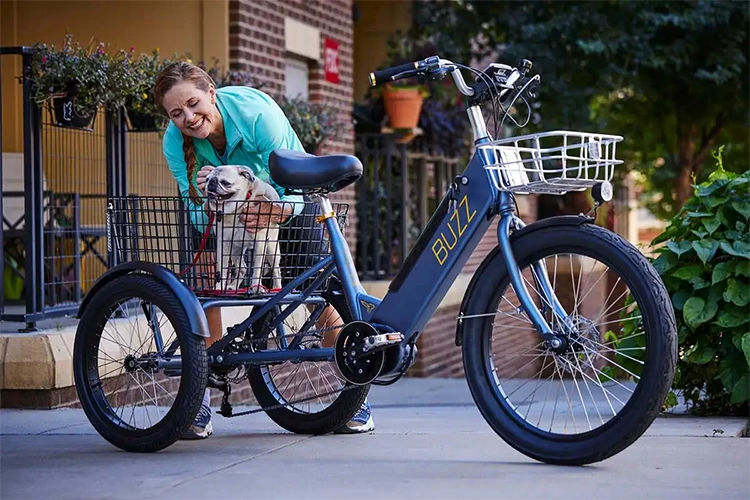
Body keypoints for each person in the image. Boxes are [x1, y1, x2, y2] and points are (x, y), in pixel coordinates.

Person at [153, 61, 374, 439]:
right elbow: (191, 204)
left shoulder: (256, 115)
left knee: (320, 292)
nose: (189, 118)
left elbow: (296, 181)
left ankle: (352, 394)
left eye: (193, 103)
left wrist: (275, 212)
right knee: (206, 286)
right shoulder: (175, 142)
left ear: (210, 92)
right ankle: (197, 399)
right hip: (221, 219)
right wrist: (210, 208)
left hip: (287, 198)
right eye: (177, 113)